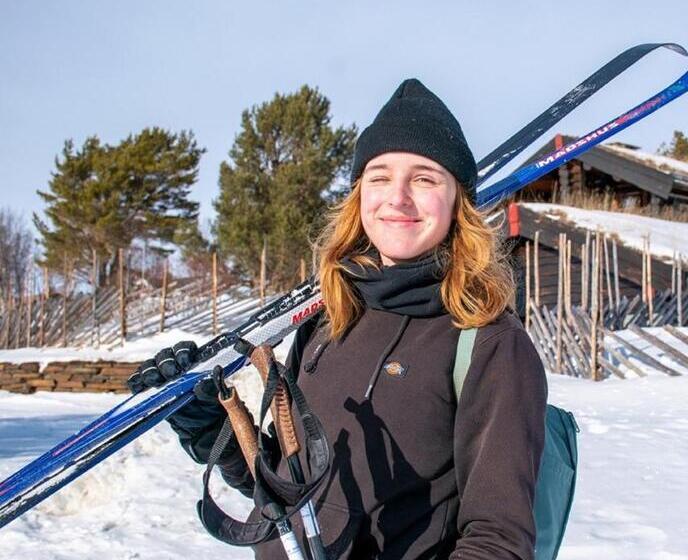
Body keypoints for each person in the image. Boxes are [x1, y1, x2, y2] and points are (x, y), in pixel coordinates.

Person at [129, 78, 547, 559]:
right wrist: (206, 427)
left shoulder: (489, 343)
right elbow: (290, 483)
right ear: (359, 196)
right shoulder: (328, 316)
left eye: (425, 179)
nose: (398, 197)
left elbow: (498, 542)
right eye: (380, 177)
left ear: (457, 204)